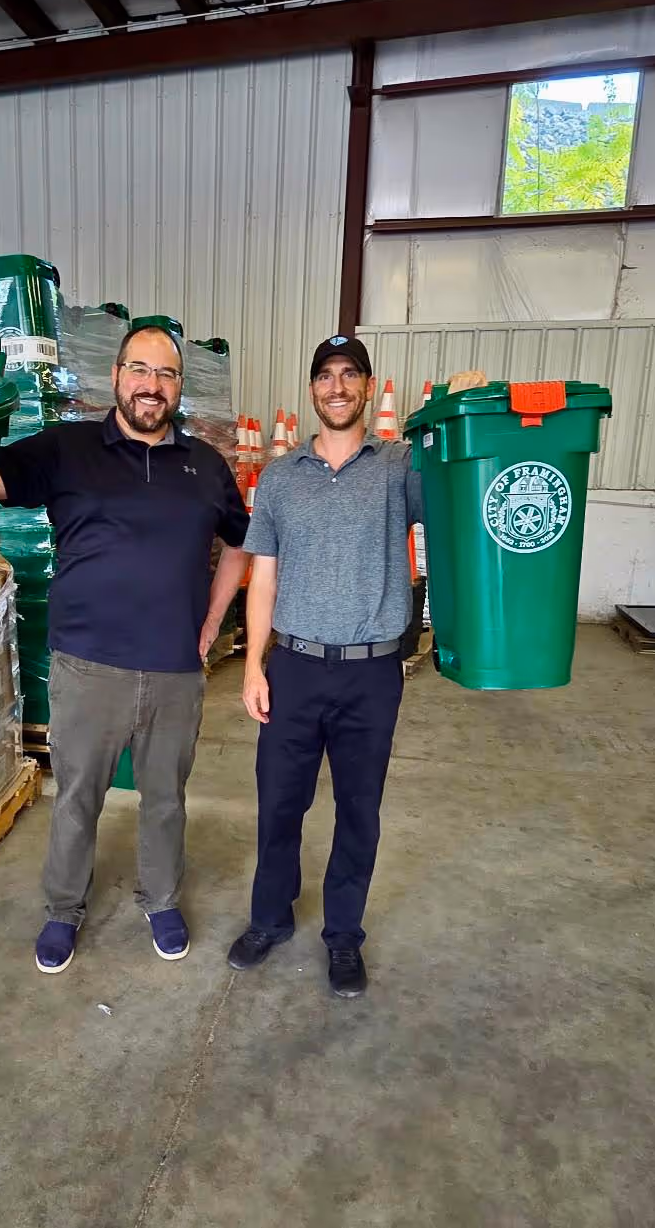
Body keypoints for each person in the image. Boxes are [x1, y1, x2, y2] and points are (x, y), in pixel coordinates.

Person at [0, 319, 250, 975]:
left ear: (179, 388)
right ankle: (62, 909)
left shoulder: (205, 465)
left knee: (166, 797)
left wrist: (216, 618)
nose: (151, 385)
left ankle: (161, 899)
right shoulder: (67, 448)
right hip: (88, 666)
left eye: (166, 374)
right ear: (115, 377)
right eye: (140, 369)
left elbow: (243, 540)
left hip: (175, 670)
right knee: (78, 797)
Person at [227, 335, 485, 999]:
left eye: (350, 375)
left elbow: (462, 487)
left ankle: (343, 935)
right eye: (325, 375)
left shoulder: (402, 468)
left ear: (368, 387)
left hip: (372, 674)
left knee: (358, 810)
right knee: (279, 804)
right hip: (295, 666)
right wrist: (253, 665)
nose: (336, 386)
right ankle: (269, 918)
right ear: (312, 388)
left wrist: (467, 401)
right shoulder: (281, 477)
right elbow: (263, 578)